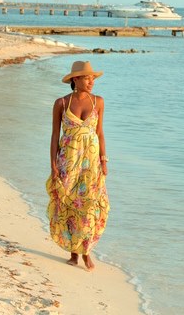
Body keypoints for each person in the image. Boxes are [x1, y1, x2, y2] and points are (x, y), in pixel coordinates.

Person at [47, 61, 109, 271]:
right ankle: (74, 253)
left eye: (93, 78)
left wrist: (104, 160)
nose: (91, 82)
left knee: (90, 205)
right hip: (68, 160)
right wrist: (53, 164)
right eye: (86, 78)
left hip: (91, 164)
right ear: (75, 79)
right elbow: (55, 135)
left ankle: (87, 252)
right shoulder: (61, 103)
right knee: (69, 203)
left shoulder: (98, 102)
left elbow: (100, 133)